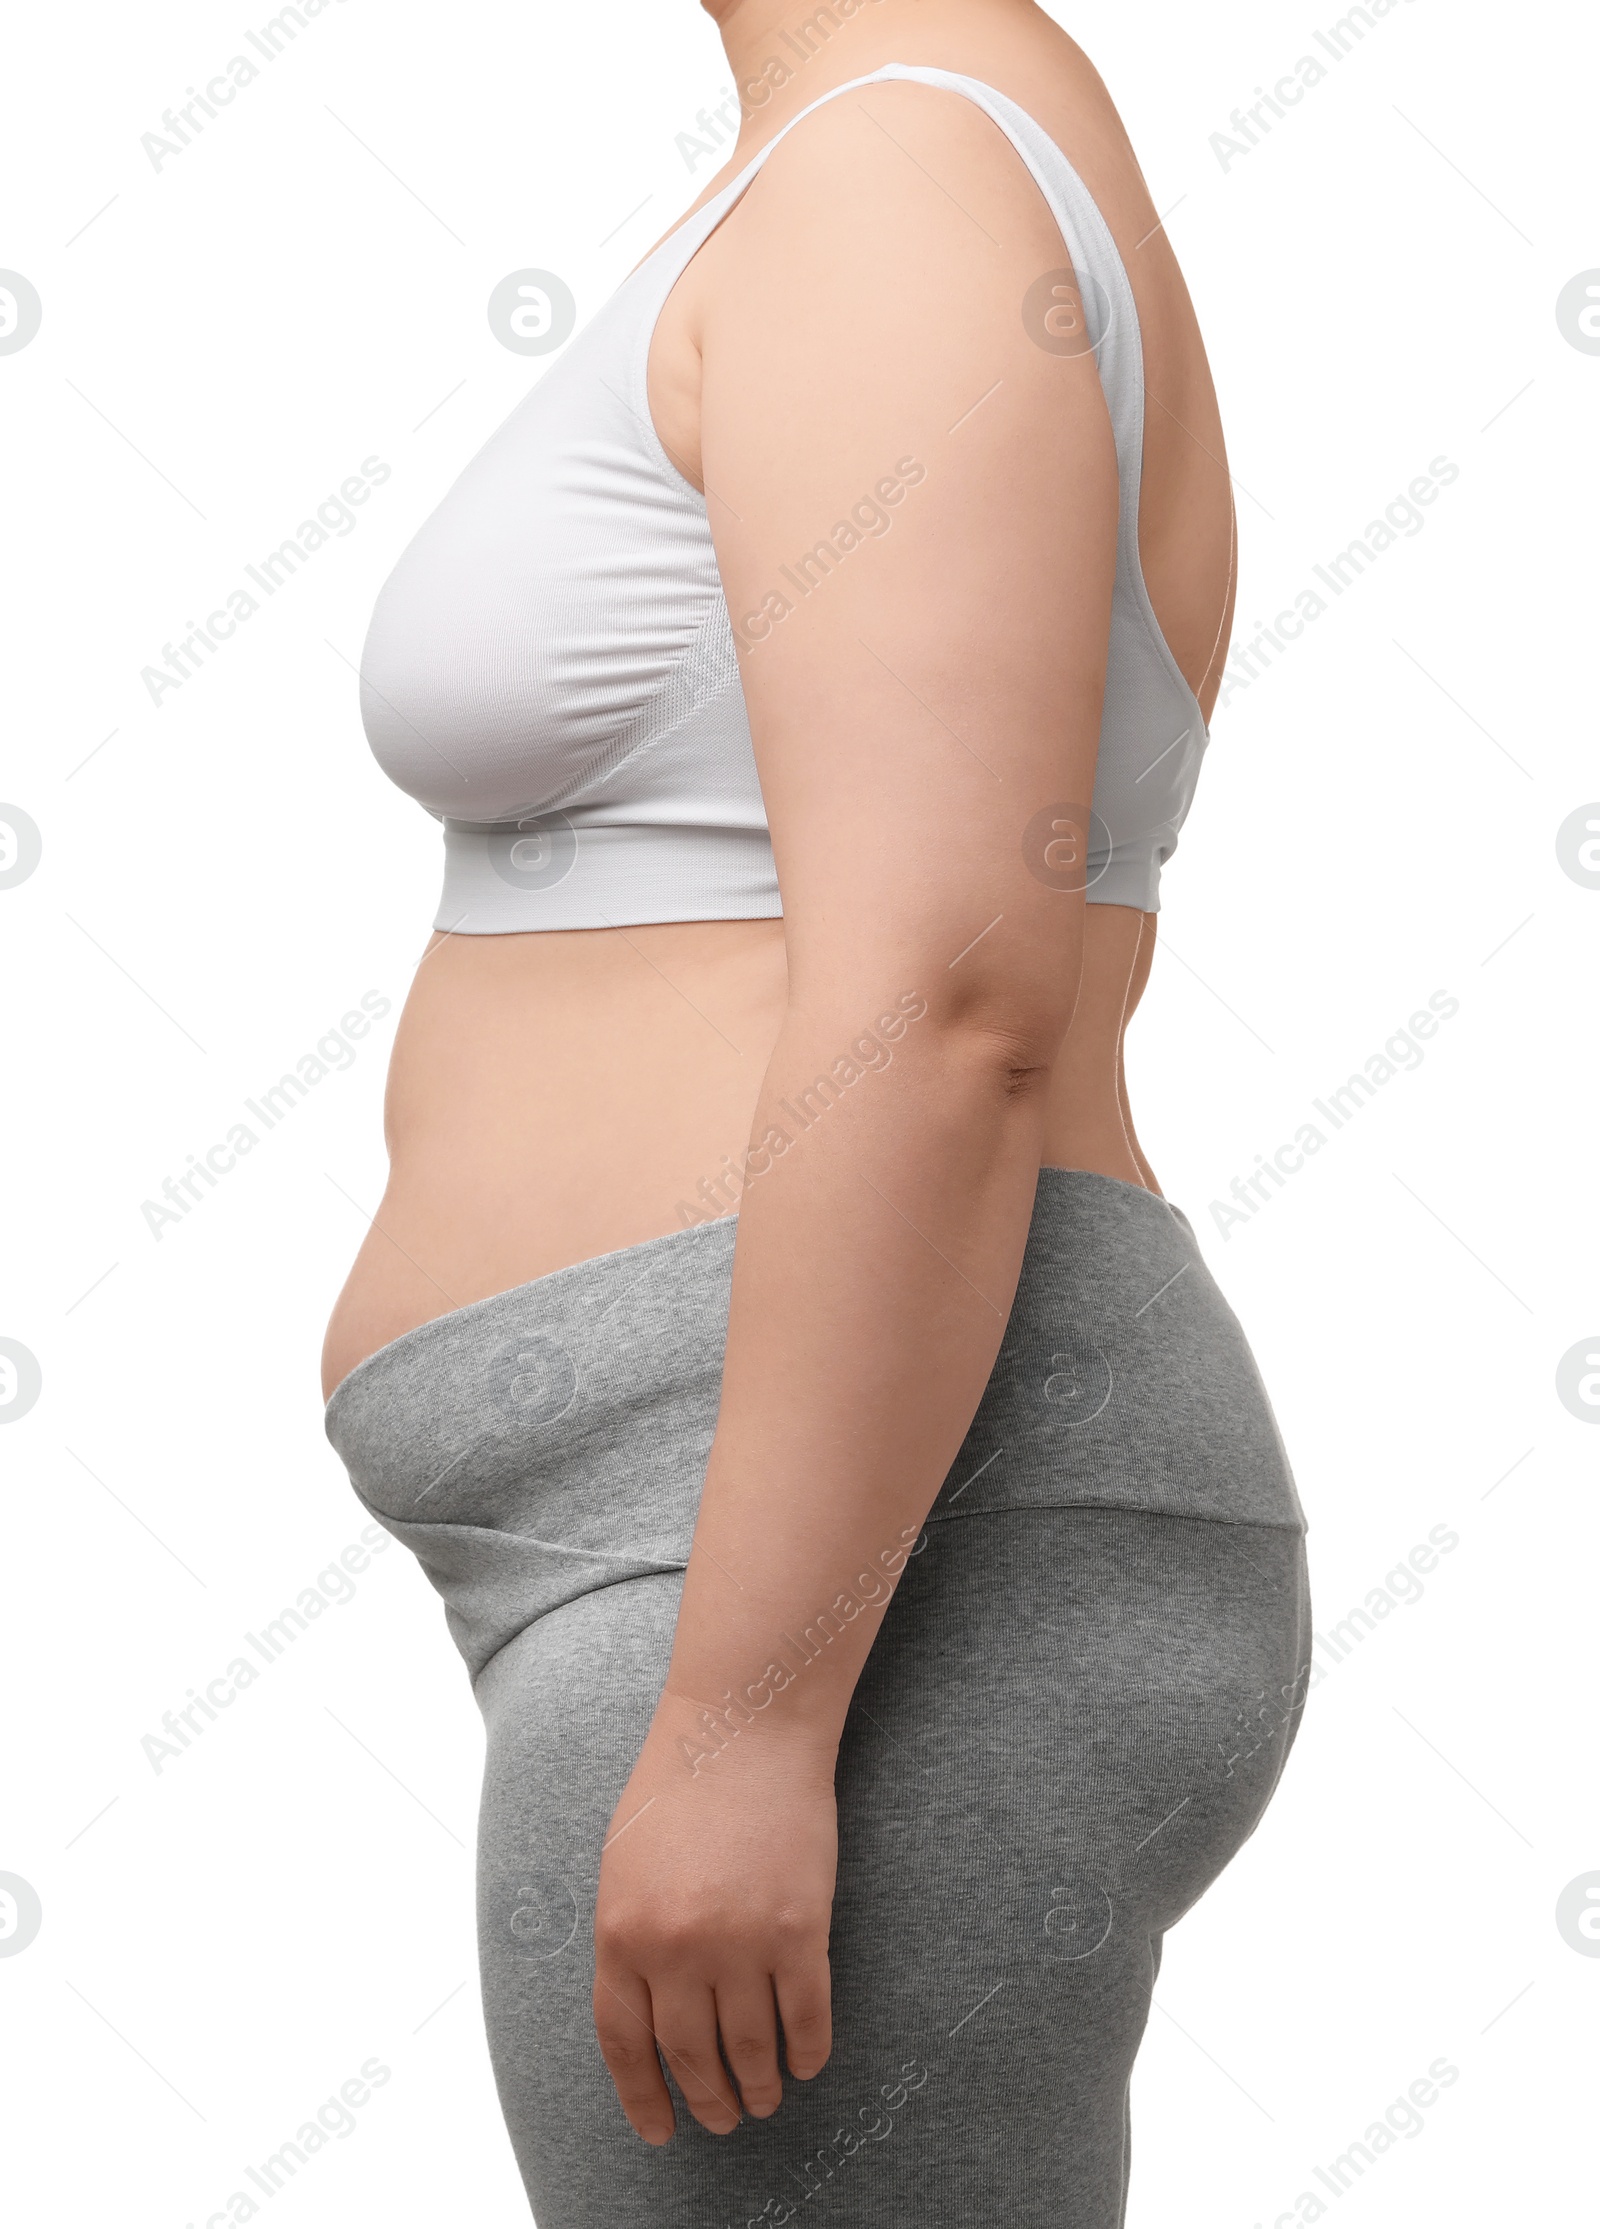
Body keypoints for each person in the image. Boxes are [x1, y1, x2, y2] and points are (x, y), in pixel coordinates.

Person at [323, 2, 1310, 2220]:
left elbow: (948, 998)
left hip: (859, 1568)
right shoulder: (859, 167)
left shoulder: (903, 183)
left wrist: (748, 1715)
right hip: (729, 1544)